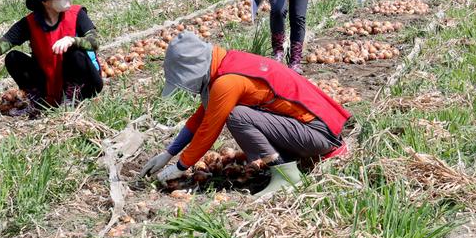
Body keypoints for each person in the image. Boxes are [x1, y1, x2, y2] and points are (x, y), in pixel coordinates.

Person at [138, 32, 349, 196]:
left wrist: (180, 166)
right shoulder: (227, 64)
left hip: (319, 134)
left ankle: (285, 174)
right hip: (316, 130)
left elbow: (209, 129)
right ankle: (289, 163)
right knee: (238, 113)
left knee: (237, 116)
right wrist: (168, 152)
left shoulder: (227, 82)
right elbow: (202, 115)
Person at [0, 0, 102, 110]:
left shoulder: (77, 14)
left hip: (87, 83)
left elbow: (94, 42)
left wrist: (72, 40)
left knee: (75, 53)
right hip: (49, 81)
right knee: (13, 58)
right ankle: (37, 100)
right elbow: (4, 42)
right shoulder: (30, 23)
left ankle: (71, 98)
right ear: (45, 1)